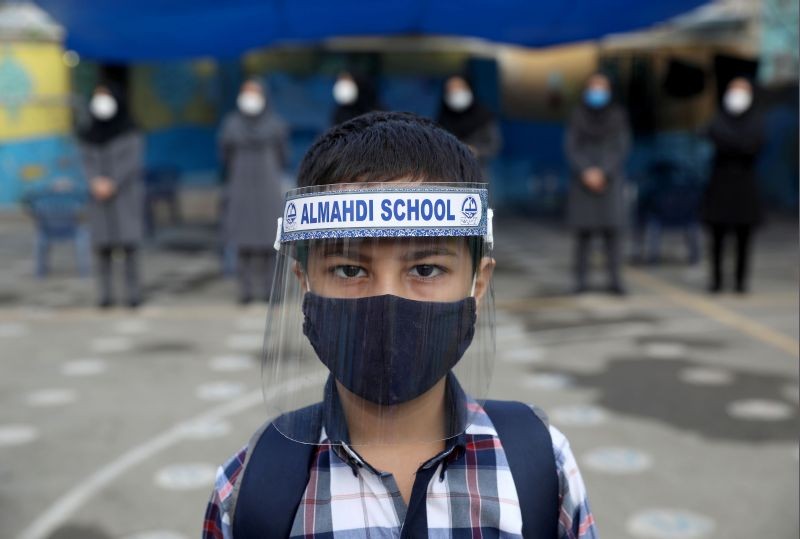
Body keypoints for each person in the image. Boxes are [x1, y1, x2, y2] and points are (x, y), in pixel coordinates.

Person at [203, 112, 597, 538]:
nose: (388, 303)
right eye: (350, 270)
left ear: (477, 284)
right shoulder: (248, 486)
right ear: (305, 284)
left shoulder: (540, 465)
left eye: (426, 269)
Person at [219, 79, 289, 304]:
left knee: (270, 242)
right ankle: (246, 290)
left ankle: (271, 289)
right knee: (243, 241)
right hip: (241, 188)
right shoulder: (231, 125)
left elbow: (282, 155)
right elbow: (224, 156)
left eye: (254, 93)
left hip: (267, 188)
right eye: (246, 92)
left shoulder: (275, 124)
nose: (250, 98)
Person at [78, 82, 145, 308]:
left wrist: (113, 182)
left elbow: (132, 162)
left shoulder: (130, 131)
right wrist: (95, 182)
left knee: (129, 249)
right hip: (99, 198)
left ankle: (133, 294)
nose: (102, 101)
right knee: (102, 249)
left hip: (124, 197)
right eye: (98, 96)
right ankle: (105, 296)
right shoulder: (88, 133)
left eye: (106, 96)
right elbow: (85, 162)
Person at [565, 72, 631, 295]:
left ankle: (615, 280)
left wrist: (604, 172)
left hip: (609, 182)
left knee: (612, 233)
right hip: (583, 181)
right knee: (583, 235)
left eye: (601, 87)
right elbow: (571, 146)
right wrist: (586, 171)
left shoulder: (618, 116)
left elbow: (621, 147)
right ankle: (580, 281)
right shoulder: (577, 115)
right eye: (593, 86)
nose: (597, 92)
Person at [700, 77, 764, 294]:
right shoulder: (717, 119)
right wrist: (736, 144)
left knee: (744, 238)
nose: (737, 95)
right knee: (717, 237)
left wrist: (730, 143)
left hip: (745, 185)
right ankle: (716, 281)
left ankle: (740, 282)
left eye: (742, 90)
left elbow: (753, 144)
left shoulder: (756, 120)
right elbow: (711, 134)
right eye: (734, 89)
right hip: (720, 184)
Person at [436, 75, 501, 175]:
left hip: (479, 173)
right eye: (451, 90)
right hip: (449, 176)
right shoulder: (442, 120)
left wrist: (475, 150)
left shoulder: (483, 117)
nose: (456, 93)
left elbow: (494, 145)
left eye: (460, 88)